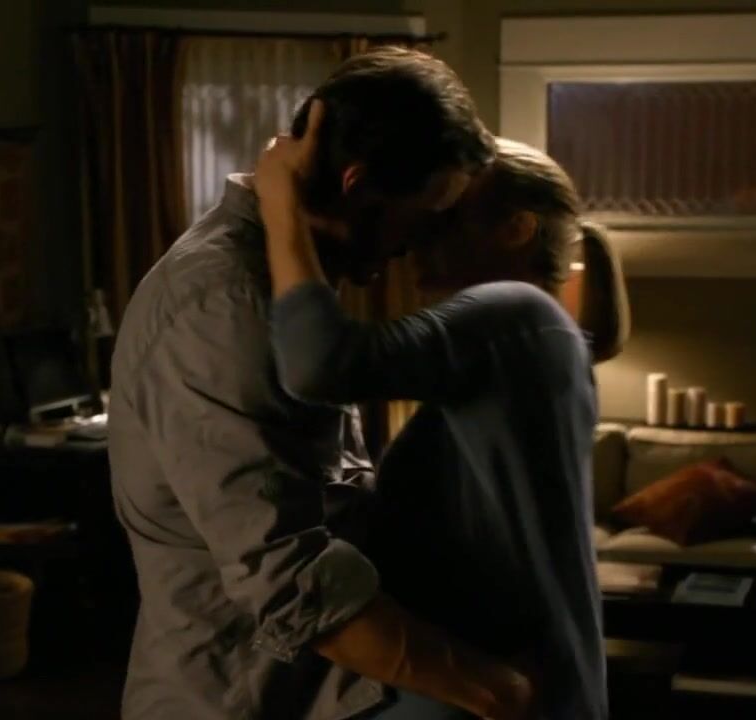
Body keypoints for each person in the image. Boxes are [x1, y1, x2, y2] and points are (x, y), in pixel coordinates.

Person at [107, 47, 536, 720]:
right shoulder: (224, 307)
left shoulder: (284, 284)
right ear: (356, 184)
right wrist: (495, 690)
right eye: (427, 212)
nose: (424, 241)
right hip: (236, 704)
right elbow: (288, 580)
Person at [257, 105, 619, 719]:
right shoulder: (536, 336)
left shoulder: (516, 312)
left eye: (447, 216)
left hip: (497, 689)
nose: (416, 236)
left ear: (516, 229)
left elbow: (322, 362)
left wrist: (280, 202)